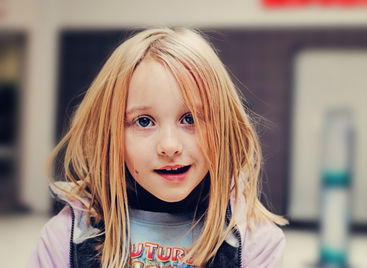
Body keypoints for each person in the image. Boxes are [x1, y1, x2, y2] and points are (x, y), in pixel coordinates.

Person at [28, 27, 287, 268]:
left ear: (223, 127)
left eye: (190, 119)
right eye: (144, 121)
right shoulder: (66, 238)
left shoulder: (255, 243)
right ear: (109, 135)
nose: (169, 146)